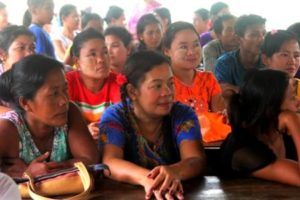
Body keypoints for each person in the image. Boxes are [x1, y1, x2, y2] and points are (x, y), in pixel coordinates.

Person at [100, 50, 206, 200]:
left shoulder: (182, 114)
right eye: (157, 86)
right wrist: (147, 179)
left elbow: (196, 159)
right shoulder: (115, 116)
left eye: (170, 83)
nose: (167, 92)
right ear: (132, 91)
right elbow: (110, 162)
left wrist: (175, 171)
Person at [0, 54, 99, 178]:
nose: (64, 100)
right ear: (26, 103)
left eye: (65, 89)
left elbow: (90, 159)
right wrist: (26, 174)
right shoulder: (7, 129)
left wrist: (48, 171)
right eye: (53, 93)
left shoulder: (70, 112)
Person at [221, 69, 300, 187]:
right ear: (271, 107)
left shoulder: (281, 133)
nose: (298, 101)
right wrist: (292, 120)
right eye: (293, 98)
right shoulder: (244, 150)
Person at [163, 21, 228, 143]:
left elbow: (218, 116)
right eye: (183, 47)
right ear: (167, 50)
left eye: (196, 45)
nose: (191, 52)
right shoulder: (164, 84)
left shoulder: (208, 79)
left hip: (208, 144)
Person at [66, 28, 121, 140]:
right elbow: (62, 123)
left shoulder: (118, 82)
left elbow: (121, 120)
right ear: (77, 62)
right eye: (92, 54)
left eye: (105, 52)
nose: (101, 59)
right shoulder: (67, 83)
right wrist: (85, 130)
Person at [214, 14, 266, 100]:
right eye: (254, 35)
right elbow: (223, 91)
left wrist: (235, 89)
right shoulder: (225, 63)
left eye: (263, 34)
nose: (261, 39)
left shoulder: (269, 61)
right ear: (238, 39)